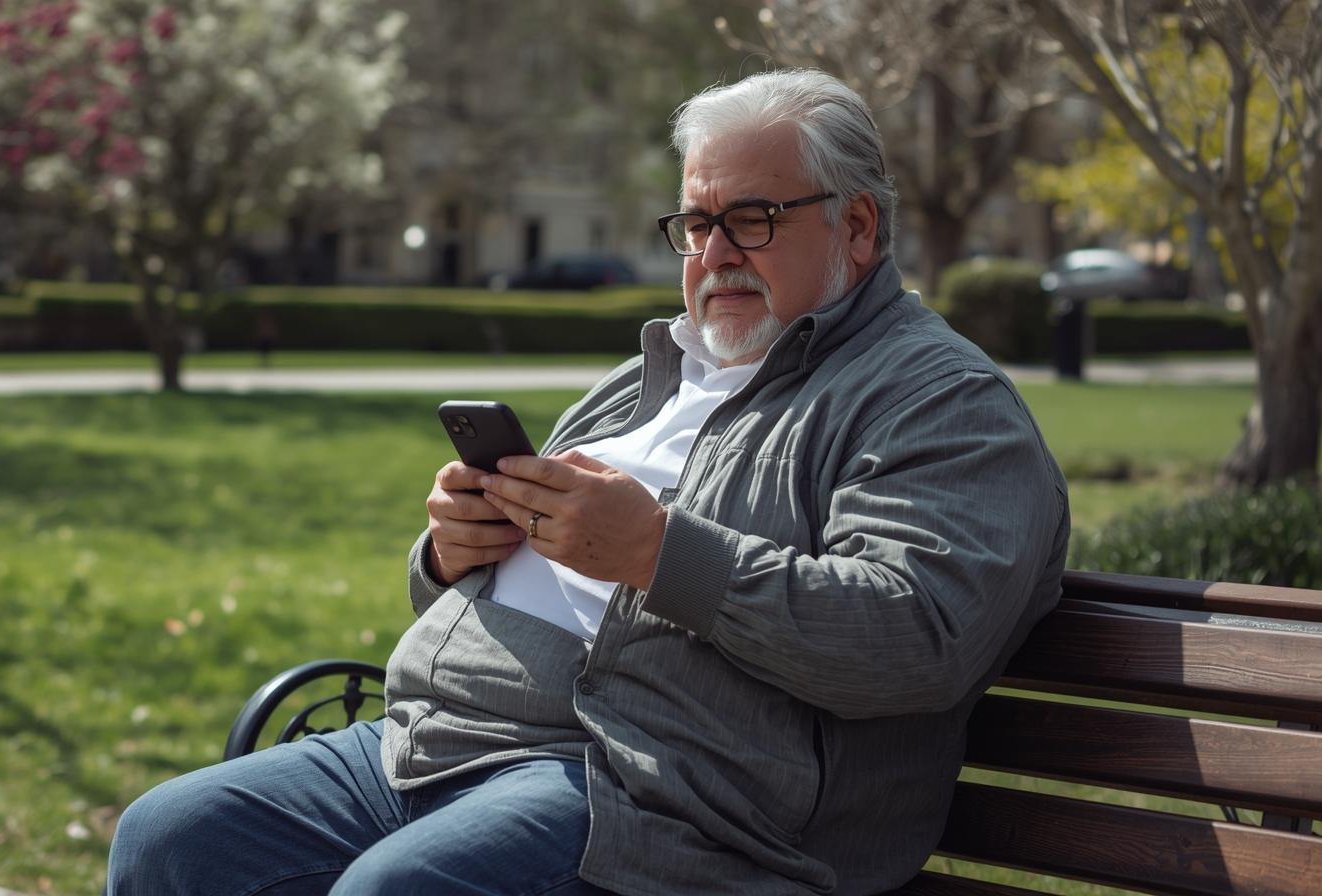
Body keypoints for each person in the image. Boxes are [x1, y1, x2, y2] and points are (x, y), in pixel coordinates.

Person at [106, 68, 1069, 896]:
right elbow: (515, 579)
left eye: (750, 220)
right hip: (437, 739)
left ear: (857, 226)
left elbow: (916, 636)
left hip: (656, 790)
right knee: (168, 839)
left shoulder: (939, 402)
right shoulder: (652, 373)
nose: (712, 254)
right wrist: (452, 552)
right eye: (695, 222)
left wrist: (657, 553)